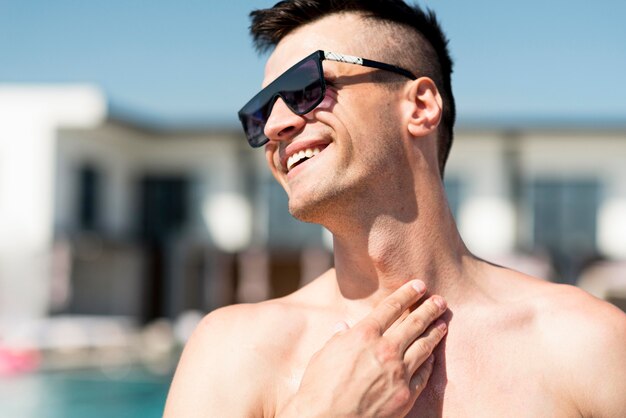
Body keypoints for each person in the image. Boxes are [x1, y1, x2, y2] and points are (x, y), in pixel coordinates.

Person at [164, 1, 626, 416]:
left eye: (305, 86)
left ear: (421, 106)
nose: (278, 125)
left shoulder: (588, 345)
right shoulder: (234, 352)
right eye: (261, 114)